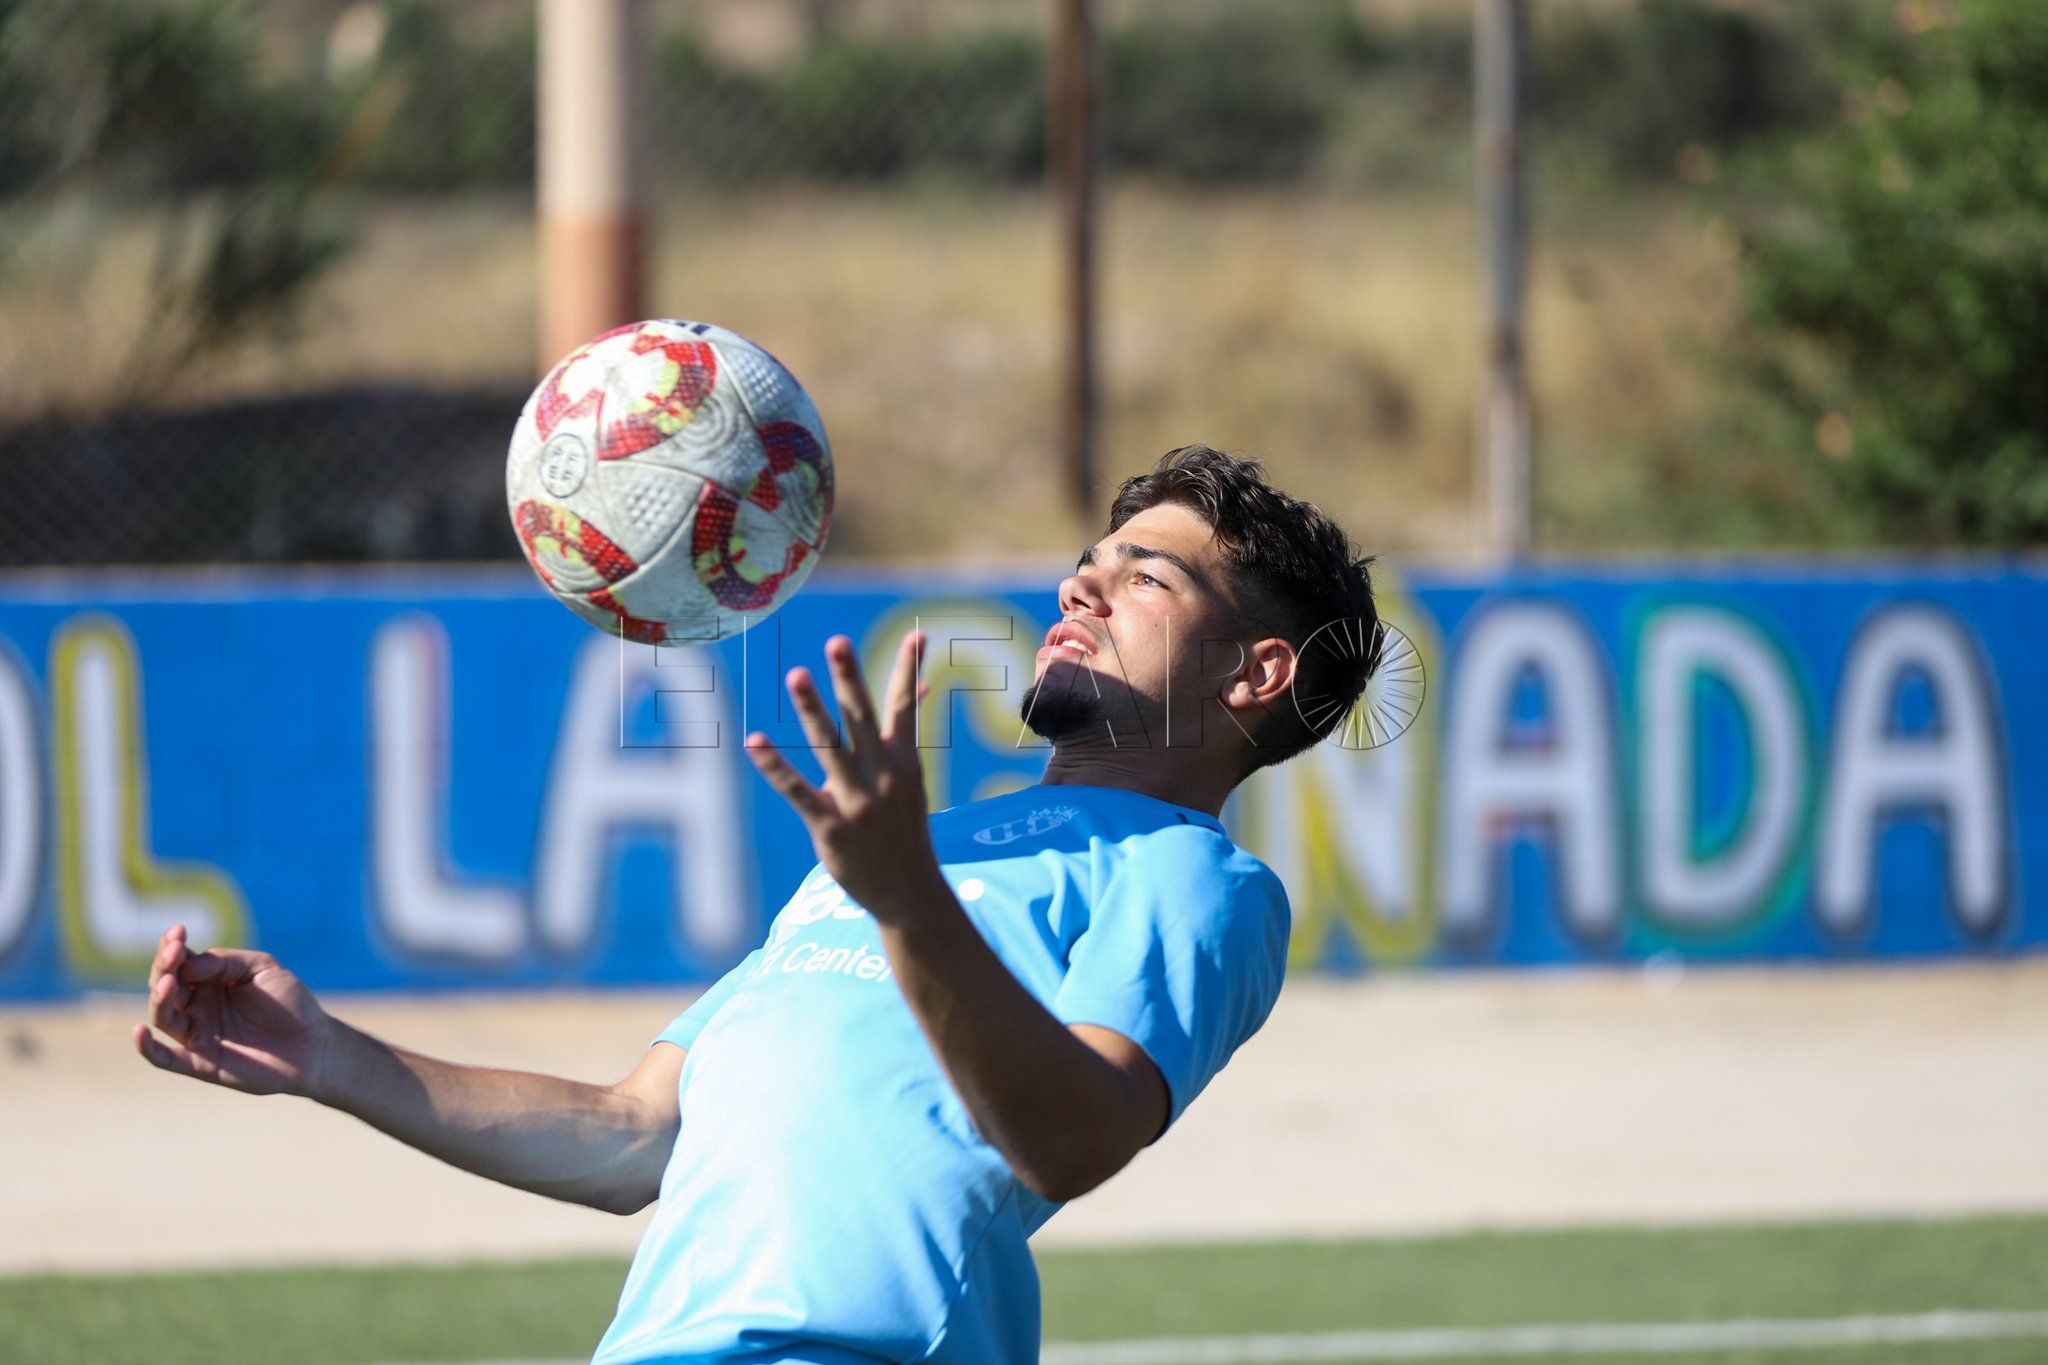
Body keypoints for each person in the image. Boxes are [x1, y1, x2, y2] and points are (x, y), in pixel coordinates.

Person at [134, 444, 1380, 1365]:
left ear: (1256, 672)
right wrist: (328, 1057)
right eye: (1083, 567)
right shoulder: (903, 846)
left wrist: (906, 901)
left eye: (1143, 576)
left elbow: (1072, 1140)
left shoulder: (1191, 878)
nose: (1078, 591)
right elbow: (634, 1133)